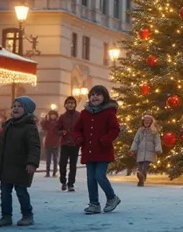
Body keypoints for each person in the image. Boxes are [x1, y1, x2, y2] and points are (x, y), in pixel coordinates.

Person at [0, 96, 41, 227]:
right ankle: (6, 216)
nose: (15, 108)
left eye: (19, 106)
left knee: (21, 192)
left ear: (27, 110)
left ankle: (27, 215)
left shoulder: (30, 128)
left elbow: (34, 147)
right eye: (14, 106)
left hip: (21, 167)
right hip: (6, 166)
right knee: (5, 193)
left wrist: (32, 163)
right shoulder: (8, 126)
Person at [74, 85, 121, 214]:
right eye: (93, 94)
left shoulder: (109, 113)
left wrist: (105, 140)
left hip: (102, 150)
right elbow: (77, 129)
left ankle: (112, 198)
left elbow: (115, 130)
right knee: (90, 179)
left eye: (98, 94)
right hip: (89, 151)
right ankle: (94, 203)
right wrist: (78, 138)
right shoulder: (84, 113)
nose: (95, 97)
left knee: (100, 176)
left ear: (104, 97)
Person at [129, 114, 162, 187]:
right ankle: (141, 180)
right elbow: (136, 141)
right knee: (140, 167)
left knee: (145, 167)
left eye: (148, 121)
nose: (146, 123)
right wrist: (133, 149)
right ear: (143, 121)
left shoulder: (154, 131)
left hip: (150, 153)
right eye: (145, 121)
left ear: (151, 122)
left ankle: (142, 179)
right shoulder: (140, 130)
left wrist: (158, 149)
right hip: (140, 152)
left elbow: (157, 141)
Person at [56, 96, 80, 191]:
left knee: (73, 165)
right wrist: (61, 132)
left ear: (75, 105)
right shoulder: (62, 117)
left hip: (75, 144)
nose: (70, 105)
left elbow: (82, 128)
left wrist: (80, 138)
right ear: (65, 105)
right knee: (62, 163)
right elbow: (57, 129)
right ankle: (63, 180)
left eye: (72, 103)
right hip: (65, 144)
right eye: (68, 103)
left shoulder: (79, 115)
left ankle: (71, 184)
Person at [40, 109, 61, 178]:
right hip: (48, 143)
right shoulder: (47, 122)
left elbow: (61, 131)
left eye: (54, 115)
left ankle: (54, 172)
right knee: (48, 159)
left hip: (56, 143)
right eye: (51, 115)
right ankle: (47, 172)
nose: (52, 116)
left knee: (55, 159)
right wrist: (44, 119)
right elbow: (43, 126)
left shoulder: (58, 123)